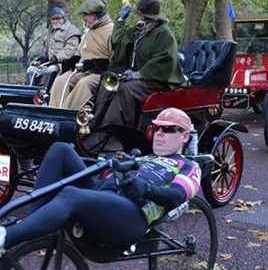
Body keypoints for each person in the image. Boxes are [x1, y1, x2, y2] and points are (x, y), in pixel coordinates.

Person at [0, 108, 202, 253]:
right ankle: (26, 230)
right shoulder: (143, 157)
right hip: (104, 194)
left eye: (167, 130)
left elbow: (177, 196)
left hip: (133, 214)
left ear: (184, 136)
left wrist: (145, 189)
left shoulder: (188, 166)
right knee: (61, 149)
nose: (159, 134)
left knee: (71, 194)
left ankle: (8, 236)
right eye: (156, 129)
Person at [83, 0, 185, 153]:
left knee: (124, 90)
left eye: (141, 15)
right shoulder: (141, 29)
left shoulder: (164, 34)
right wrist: (120, 21)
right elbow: (118, 42)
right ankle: (95, 130)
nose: (139, 17)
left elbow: (163, 61)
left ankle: (115, 141)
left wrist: (137, 75)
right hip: (136, 77)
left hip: (156, 80)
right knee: (108, 85)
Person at [49, 0, 113, 110]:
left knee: (83, 84)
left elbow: (114, 61)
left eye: (85, 15)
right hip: (83, 70)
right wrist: (72, 60)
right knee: (61, 80)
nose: (83, 18)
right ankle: (52, 113)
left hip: (99, 74)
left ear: (93, 15)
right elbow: (80, 51)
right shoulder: (90, 31)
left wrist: (94, 64)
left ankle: (67, 117)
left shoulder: (111, 31)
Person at [26, 7, 81, 91]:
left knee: (52, 69)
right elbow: (46, 49)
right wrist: (42, 56)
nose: (55, 21)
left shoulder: (71, 31)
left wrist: (57, 57)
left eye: (58, 18)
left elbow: (71, 49)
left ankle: (46, 94)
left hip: (63, 64)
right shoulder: (49, 31)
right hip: (48, 62)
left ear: (64, 18)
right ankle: (30, 94)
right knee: (31, 69)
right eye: (53, 19)